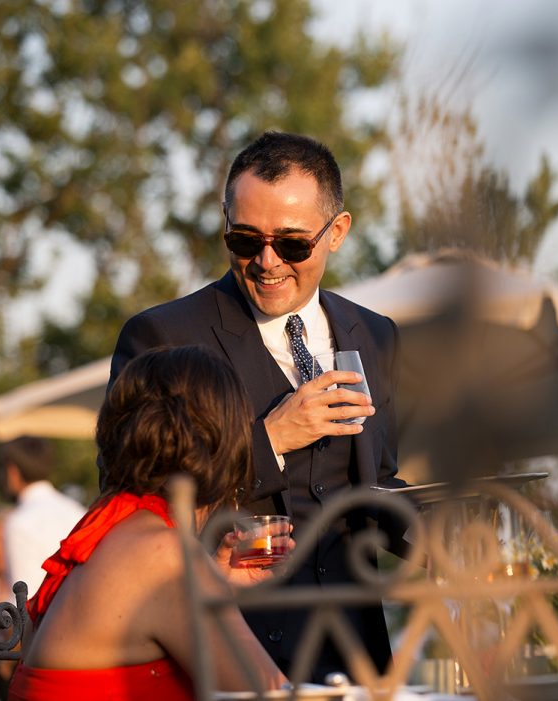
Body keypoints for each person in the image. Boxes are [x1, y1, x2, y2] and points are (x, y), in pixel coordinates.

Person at [107, 131, 406, 680]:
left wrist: (445, 531)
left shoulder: (377, 336)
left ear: (336, 232)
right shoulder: (161, 336)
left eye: (292, 244)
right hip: (228, 652)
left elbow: (375, 485)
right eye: (245, 240)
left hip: (356, 657)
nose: (267, 262)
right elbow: (129, 503)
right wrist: (268, 439)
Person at [8, 345, 288, 700]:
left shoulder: (106, 524)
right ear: (225, 446)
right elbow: (272, 693)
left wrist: (214, 584)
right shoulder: (164, 554)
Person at [0, 436, 86, 599]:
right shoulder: (78, 511)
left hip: (47, 622)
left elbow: (23, 601)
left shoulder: (19, 523)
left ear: (13, 472)